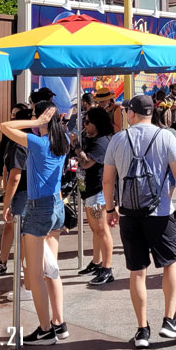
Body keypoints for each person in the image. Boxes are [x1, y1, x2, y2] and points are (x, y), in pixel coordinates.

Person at [103, 94, 176, 349]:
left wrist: (110, 209)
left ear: (132, 114)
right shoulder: (166, 136)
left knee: (137, 271)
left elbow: (107, 180)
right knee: (170, 264)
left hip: (129, 215)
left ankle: (142, 330)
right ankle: (169, 320)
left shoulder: (118, 139)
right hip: (161, 213)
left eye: (127, 112)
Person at [0, 101, 70, 344]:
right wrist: (44, 122)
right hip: (56, 207)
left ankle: (45, 329)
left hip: (39, 210)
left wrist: (34, 123)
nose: (31, 119)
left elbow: (4, 125)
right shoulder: (64, 141)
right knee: (52, 271)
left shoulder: (39, 144)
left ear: (42, 119)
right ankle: (59, 324)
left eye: (34, 115)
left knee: (36, 274)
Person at [0, 104, 34, 278]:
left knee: (21, 232)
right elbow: (8, 166)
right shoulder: (15, 140)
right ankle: (4, 263)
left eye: (15, 117)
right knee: (14, 229)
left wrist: (6, 202)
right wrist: (2, 177)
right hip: (28, 192)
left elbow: (15, 175)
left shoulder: (24, 141)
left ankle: (23, 268)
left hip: (23, 192)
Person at [76, 106, 116, 286]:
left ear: (97, 123)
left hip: (98, 192)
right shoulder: (96, 140)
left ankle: (107, 268)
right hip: (90, 191)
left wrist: (75, 146)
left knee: (102, 230)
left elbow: (86, 163)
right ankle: (97, 261)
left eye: (87, 122)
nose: (85, 126)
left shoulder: (101, 143)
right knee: (95, 230)